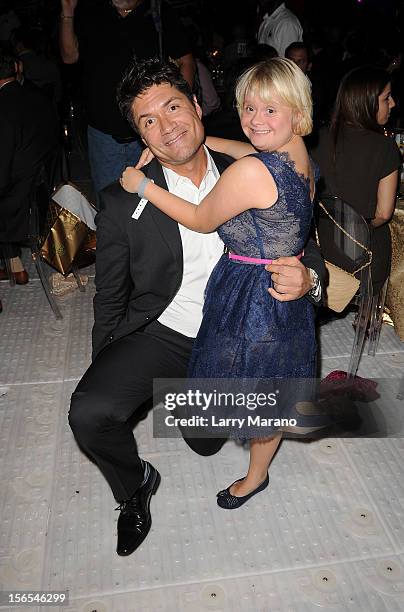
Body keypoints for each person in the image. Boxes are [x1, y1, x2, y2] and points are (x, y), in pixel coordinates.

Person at [69, 57, 325, 557]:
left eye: (173, 107)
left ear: (197, 107)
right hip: (166, 332)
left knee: (206, 439)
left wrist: (310, 278)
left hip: (237, 335)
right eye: (148, 121)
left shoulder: (257, 160)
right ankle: (135, 486)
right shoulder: (120, 200)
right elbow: (111, 293)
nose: (165, 126)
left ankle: (189, 404)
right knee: (91, 412)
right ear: (140, 137)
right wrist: (106, 360)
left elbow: (304, 239)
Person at [59, 0, 195, 195]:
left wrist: (182, 107)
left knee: (159, 198)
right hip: (103, 135)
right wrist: (68, 12)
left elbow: (185, 61)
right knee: (110, 203)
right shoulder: (91, 10)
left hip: (154, 130)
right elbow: (69, 56)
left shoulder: (156, 9)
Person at [310, 66, 401, 295]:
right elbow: (383, 214)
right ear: (366, 102)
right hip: (362, 260)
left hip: (318, 249)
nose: (393, 104)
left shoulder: (316, 138)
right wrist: (352, 229)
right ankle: (369, 310)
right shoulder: (385, 147)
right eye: (386, 98)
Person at [0, 47, 58, 285]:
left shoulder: (3, 107)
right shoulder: (38, 98)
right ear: (17, 68)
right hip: (40, 193)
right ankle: (14, 265)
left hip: (17, 206)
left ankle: (12, 264)